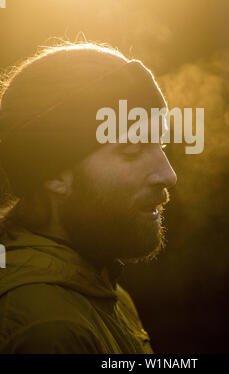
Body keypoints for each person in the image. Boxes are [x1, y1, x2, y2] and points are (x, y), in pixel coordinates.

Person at [0, 43, 177, 354]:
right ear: (54, 175)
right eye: (132, 151)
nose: (168, 174)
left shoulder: (103, 288)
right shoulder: (47, 328)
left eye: (161, 144)